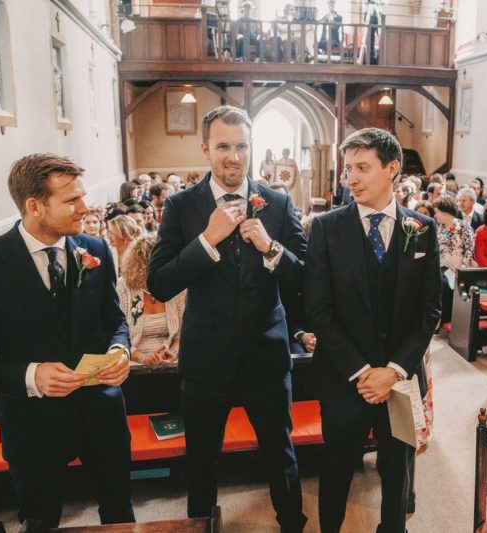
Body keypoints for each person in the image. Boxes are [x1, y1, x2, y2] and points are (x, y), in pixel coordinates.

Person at [0, 154, 133, 529]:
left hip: (101, 412)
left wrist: (119, 349)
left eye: (82, 196)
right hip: (33, 424)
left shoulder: (94, 251)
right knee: (41, 521)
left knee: (119, 513)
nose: (85, 207)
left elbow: (114, 320)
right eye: (71, 200)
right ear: (35, 206)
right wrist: (31, 375)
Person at [147, 105, 308, 532]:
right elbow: (159, 283)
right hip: (206, 358)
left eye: (241, 146)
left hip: (266, 354)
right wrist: (207, 239)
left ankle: (292, 522)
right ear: (205, 149)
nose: (233, 156)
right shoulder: (182, 207)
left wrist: (271, 247)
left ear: (251, 148)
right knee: (201, 458)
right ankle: (201, 526)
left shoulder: (277, 202)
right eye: (223, 146)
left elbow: (305, 279)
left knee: (280, 452)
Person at [304, 128, 441, 533]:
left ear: (392, 169)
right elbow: (318, 309)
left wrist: (394, 370)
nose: (352, 179)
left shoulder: (421, 229)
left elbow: (429, 312)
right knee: (338, 469)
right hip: (346, 378)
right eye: (349, 169)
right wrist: (364, 372)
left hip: (398, 380)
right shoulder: (327, 228)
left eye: (363, 168)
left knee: (398, 470)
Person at [118, 234, 185, 365]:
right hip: (131, 363)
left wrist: (172, 353)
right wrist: (143, 357)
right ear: (141, 265)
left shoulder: (176, 286)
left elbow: (180, 335)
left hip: (168, 364)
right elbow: (116, 336)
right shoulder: (123, 288)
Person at [432, 196, 474, 325]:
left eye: (437, 211)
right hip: (441, 267)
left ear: (444, 212)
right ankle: (440, 321)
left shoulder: (463, 226)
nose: (435, 215)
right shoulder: (437, 228)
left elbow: (469, 249)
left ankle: (452, 321)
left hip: (460, 268)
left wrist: (462, 268)